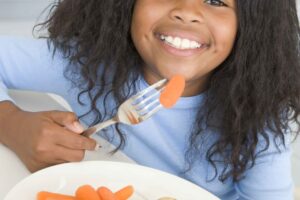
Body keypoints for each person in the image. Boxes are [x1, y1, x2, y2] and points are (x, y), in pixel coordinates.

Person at [0, 0, 299, 199]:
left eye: (215, 0)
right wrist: (12, 124)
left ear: (253, 26)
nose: (186, 11)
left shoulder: (258, 122)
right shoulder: (84, 68)